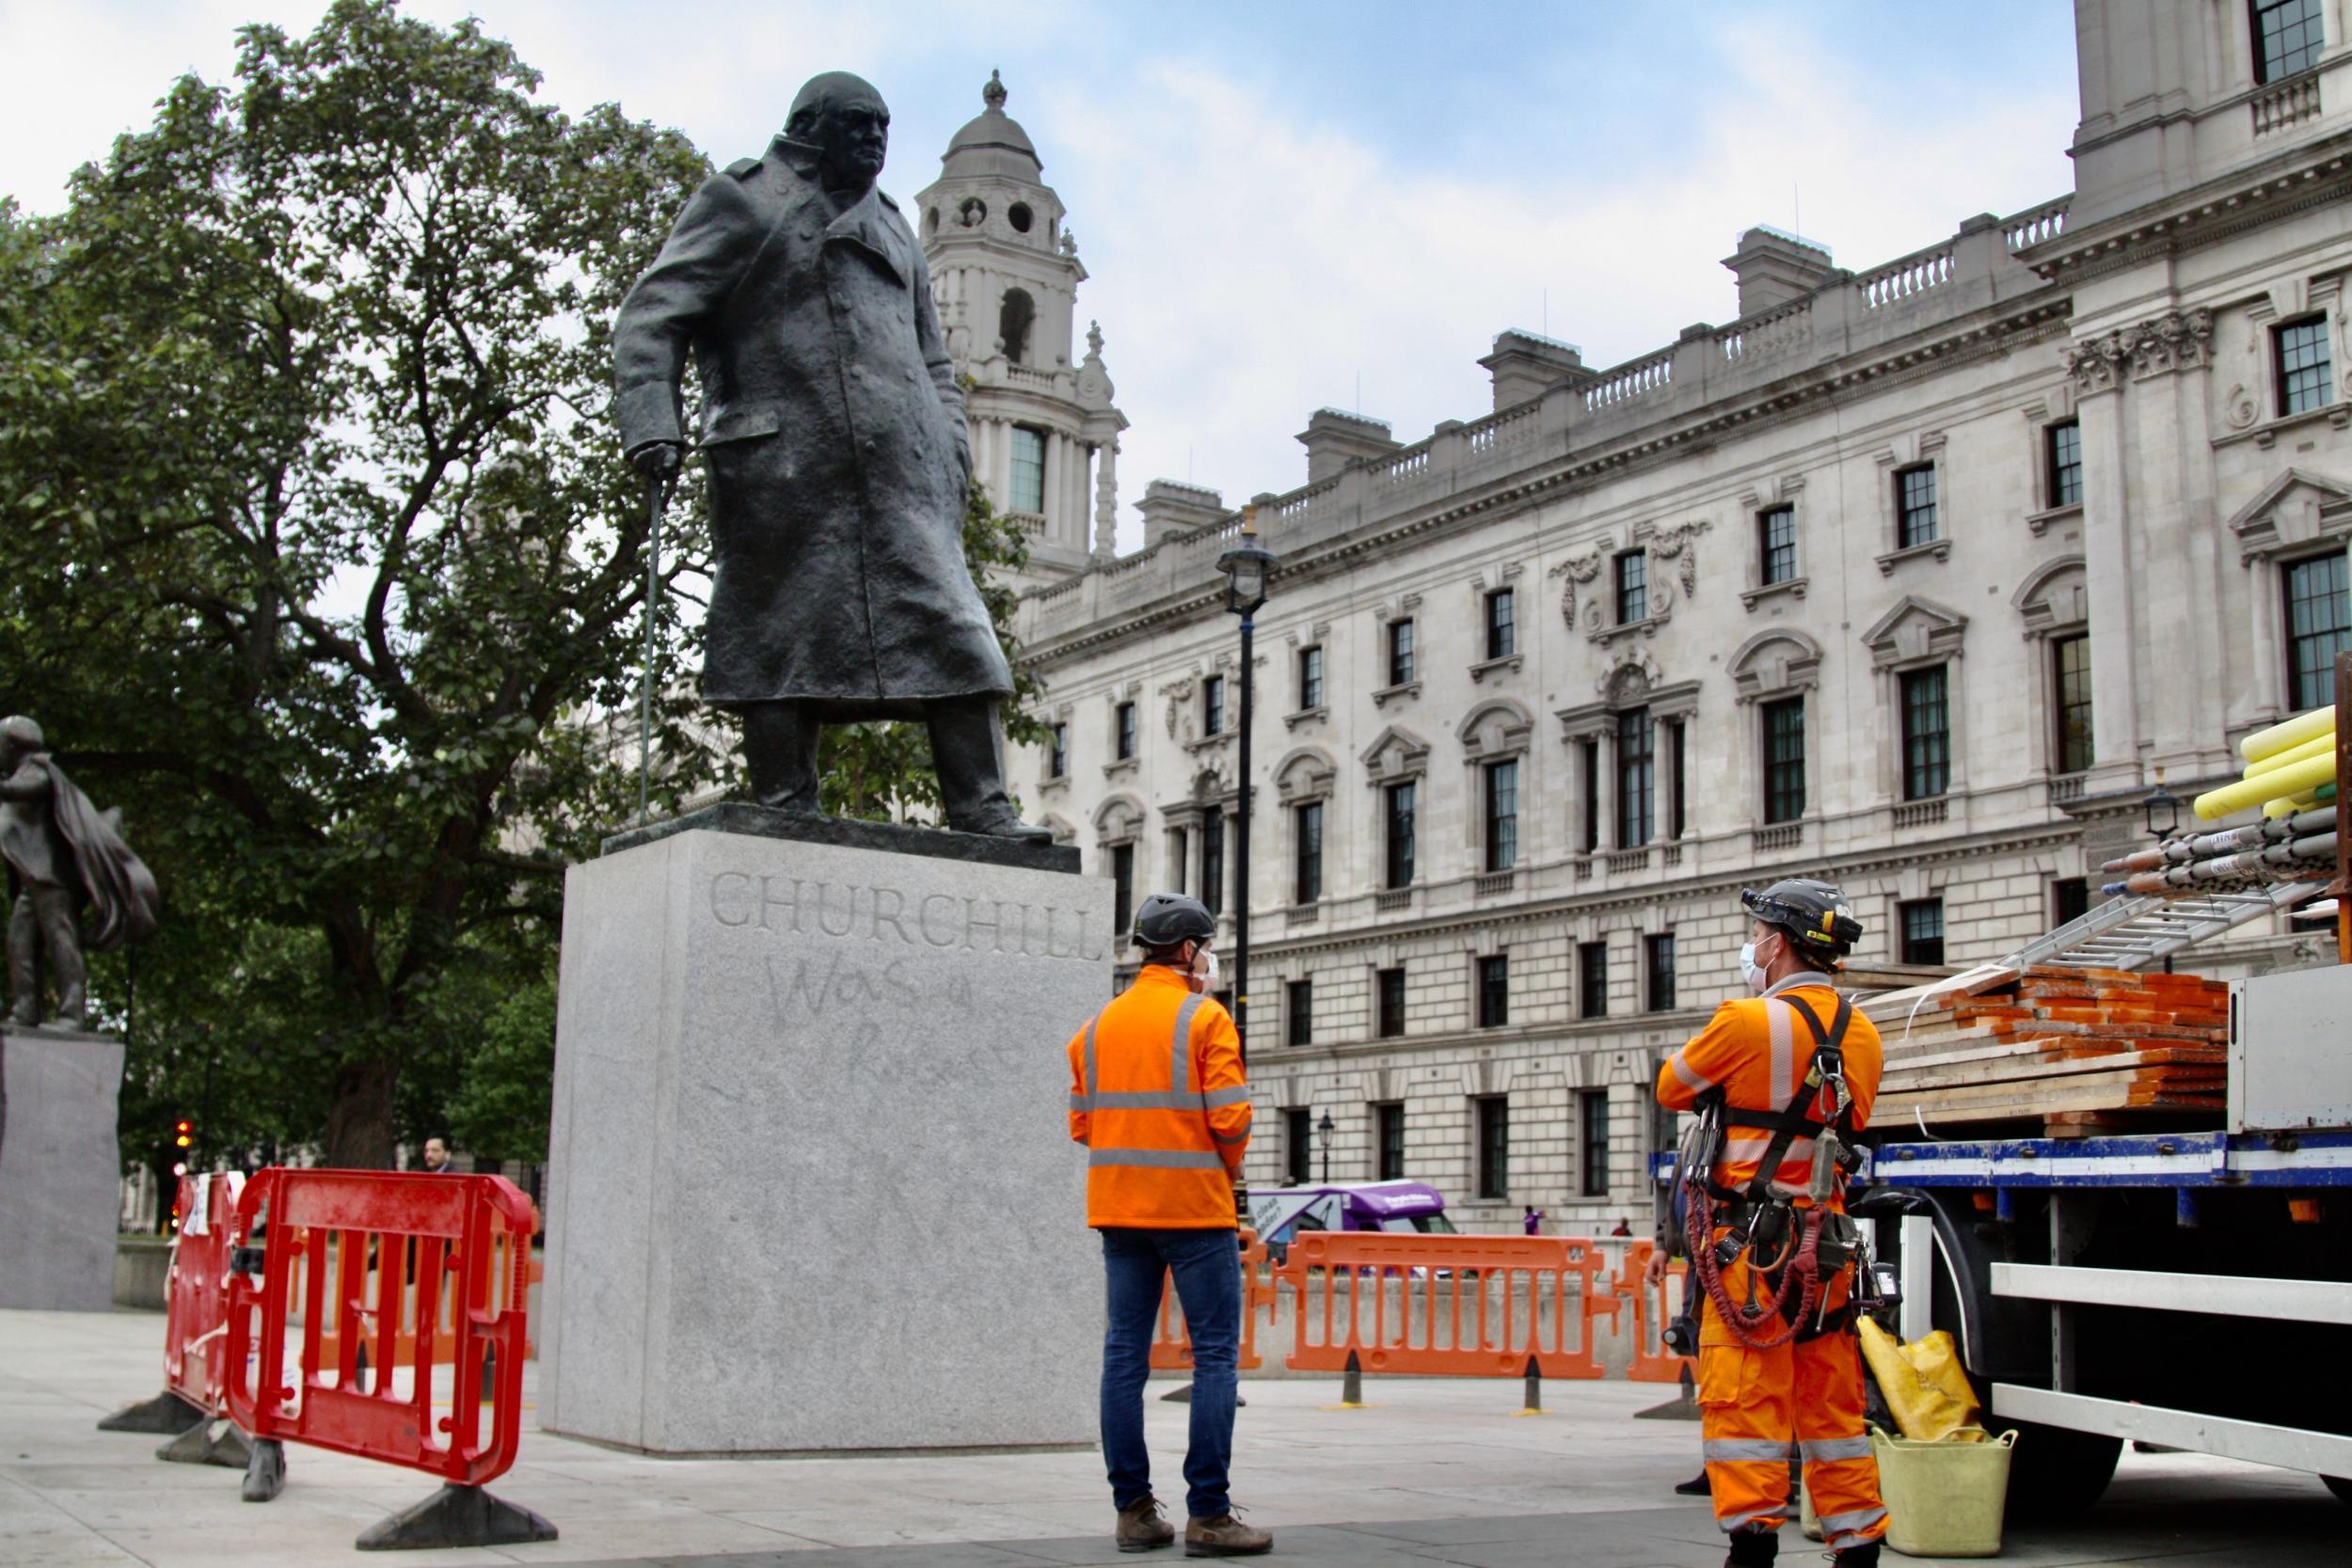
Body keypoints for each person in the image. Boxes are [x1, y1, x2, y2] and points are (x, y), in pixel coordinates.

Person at [613, 71, 1044, 842]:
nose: (876, 139)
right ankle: (785, 800)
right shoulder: (743, 202)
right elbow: (652, 314)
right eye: (858, 125)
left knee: (956, 631)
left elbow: (934, 361)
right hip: (782, 467)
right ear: (810, 127)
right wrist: (653, 419)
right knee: (777, 631)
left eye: (883, 125)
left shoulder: (892, 227)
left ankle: (981, 806)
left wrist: (948, 448)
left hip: (903, 479)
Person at [1653, 879, 1887, 1568]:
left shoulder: (1745, 1020)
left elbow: (1674, 1085)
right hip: (1830, 1250)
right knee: (1833, 1406)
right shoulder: (1863, 1031)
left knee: (1746, 1401)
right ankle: (1858, 1546)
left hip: (1749, 1251)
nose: (1752, 945)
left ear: (1778, 945)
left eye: (1757, 933)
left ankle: (1752, 1549)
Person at [1065, 893, 1269, 1557]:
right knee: (1213, 1354)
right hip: (1193, 1210)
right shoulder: (1205, 1017)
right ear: (1186, 951)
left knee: (1124, 1355)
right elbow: (1232, 1118)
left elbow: (1082, 1124)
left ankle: (1133, 1511)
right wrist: (1225, 1168)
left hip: (1119, 1210)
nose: (1208, 957)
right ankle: (1208, 1513)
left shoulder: (1095, 1028)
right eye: (1205, 946)